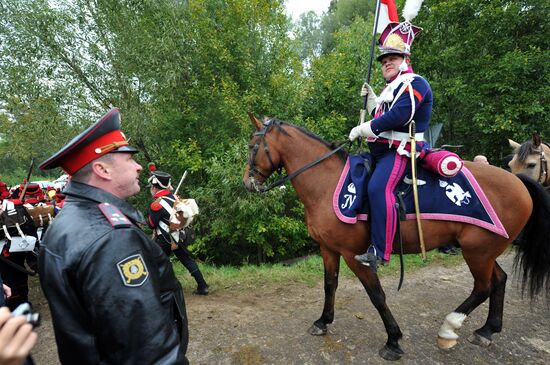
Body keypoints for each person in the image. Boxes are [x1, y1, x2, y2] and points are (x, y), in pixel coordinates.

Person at [38, 108, 189, 364]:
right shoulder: (112, 239)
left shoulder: (66, 221)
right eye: (130, 159)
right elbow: (147, 351)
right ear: (102, 169)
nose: (139, 166)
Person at [348, 20, 433, 270]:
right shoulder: (391, 89)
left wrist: (364, 128)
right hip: (380, 151)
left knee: (377, 189)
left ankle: (379, 252)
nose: (386, 63)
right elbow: (384, 115)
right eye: (384, 60)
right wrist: (374, 102)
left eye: (392, 58)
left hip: (400, 152)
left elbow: (400, 116)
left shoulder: (415, 83)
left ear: (405, 59)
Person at [147, 165, 209, 295]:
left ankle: (161, 290)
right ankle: (203, 286)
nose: (150, 190)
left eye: (151, 187)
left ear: (154, 187)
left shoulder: (156, 205)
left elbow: (152, 225)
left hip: (165, 239)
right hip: (179, 236)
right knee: (187, 260)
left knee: (158, 263)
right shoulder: (175, 198)